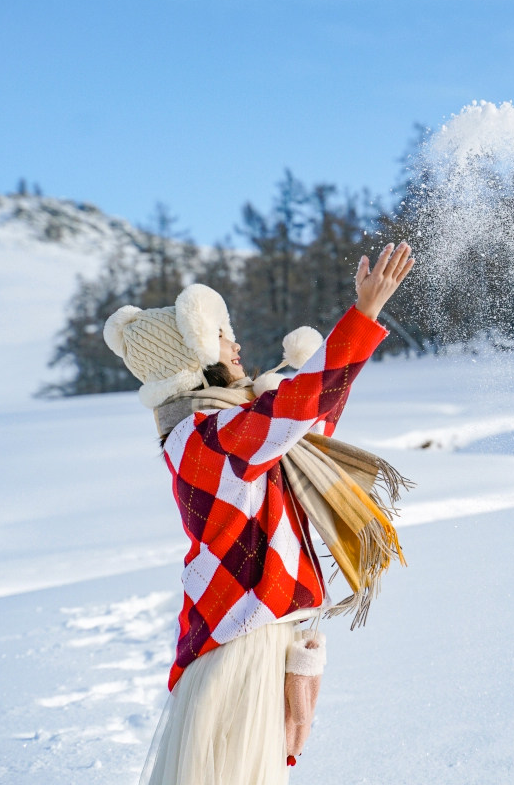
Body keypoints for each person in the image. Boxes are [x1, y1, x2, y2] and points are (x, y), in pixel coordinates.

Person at [103, 242, 414, 785]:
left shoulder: (230, 429)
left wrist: (352, 337)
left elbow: (308, 425)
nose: (236, 342)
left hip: (262, 631)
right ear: (192, 355)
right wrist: (360, 319)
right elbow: (294, 412)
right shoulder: (202, 440)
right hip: (239, 643)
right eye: (223, 335)